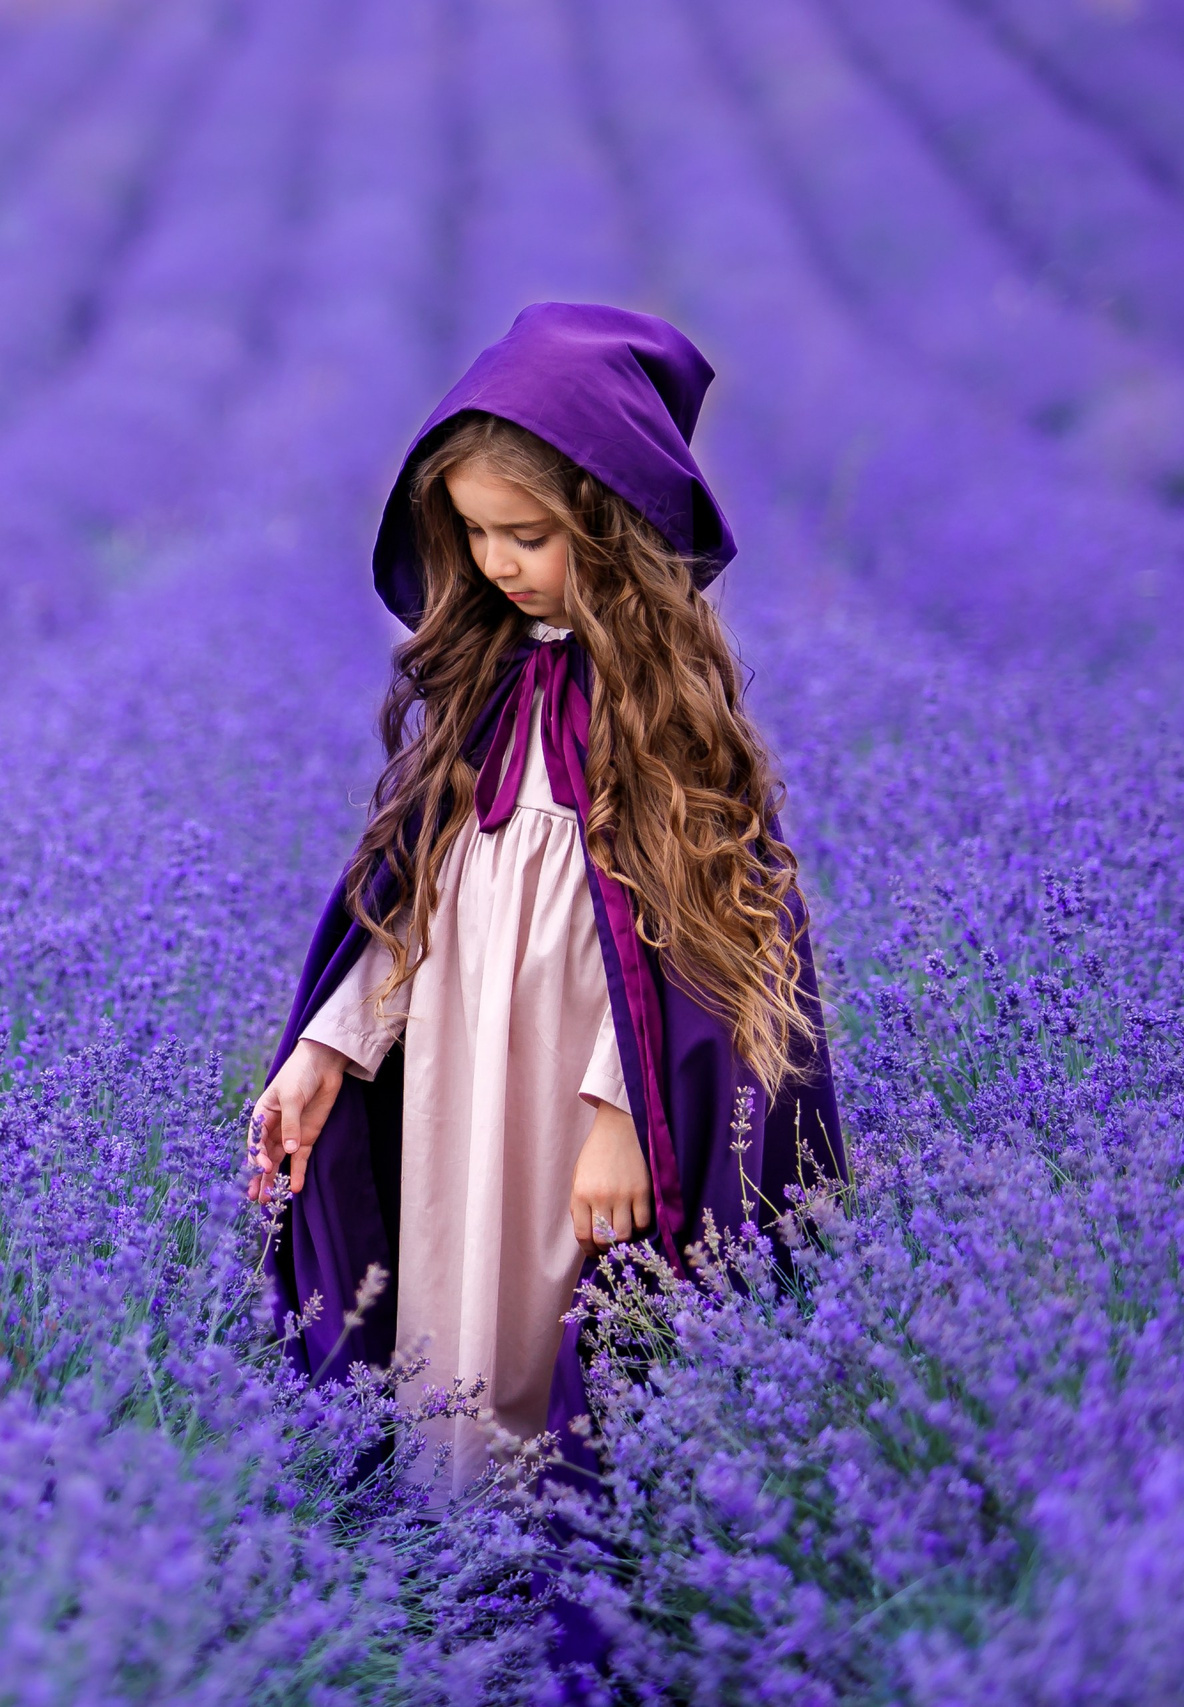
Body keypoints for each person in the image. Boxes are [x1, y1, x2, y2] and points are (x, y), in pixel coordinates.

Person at [251, 302, 846, 1491]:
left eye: (526, 536)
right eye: (473, 534)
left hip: (581, 1082)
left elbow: (701, 938)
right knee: (449, 1278)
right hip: (460, 1064)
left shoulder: (663, 712)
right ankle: (445, 1540)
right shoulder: (487, 687)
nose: (495, 565)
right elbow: (417, 896)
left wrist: (622, 1115)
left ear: (613, 525)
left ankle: (558, 1546)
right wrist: (328, 1045)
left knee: (557, 1315)